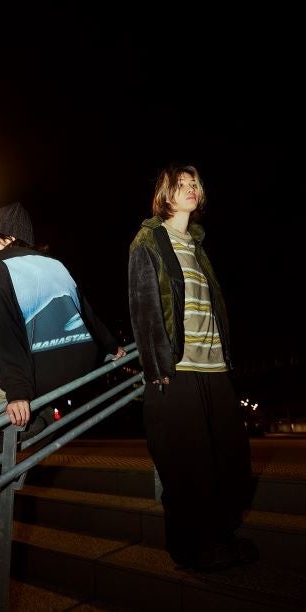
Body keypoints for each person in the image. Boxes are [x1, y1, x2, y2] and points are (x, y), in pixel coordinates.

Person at [128, 162, 258, 572]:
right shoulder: (149, 239)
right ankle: (192, 548)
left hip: (215, 366)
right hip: (178, 368)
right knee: (188, 463)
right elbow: (144, 306)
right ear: (165, 194)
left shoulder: (197, 246)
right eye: (181, 184)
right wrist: (156, 365)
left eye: (194, 184)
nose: (190, 189)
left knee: (231, 459)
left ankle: (221, 535)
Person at [0, 201, 126, 459]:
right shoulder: (55, 264)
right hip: (81, 368)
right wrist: (112, 346)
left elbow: (5, 331)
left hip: (40, 373)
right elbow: (86, 311)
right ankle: (35, 413)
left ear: (8, 237)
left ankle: (18, 424)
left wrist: (18, 393)